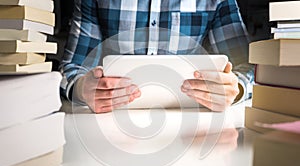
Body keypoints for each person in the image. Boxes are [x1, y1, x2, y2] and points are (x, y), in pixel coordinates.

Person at [60, 0, 254, 113]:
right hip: (109, 123)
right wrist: (81, 89)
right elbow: (74, 66)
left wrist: (234, 88)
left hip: (194, 125)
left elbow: (248, 66)